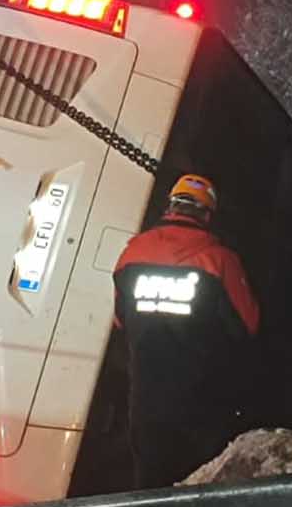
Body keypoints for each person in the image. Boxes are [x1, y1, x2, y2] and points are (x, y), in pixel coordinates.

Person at [111, 173, 261, 489]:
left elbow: (120, 319)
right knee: (200, 485)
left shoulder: (131, 256)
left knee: (149, 486)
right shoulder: (218, 261)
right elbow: (248, 323)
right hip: (201, 401)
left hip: (145, 398)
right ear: (207, 215)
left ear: (170, 207)